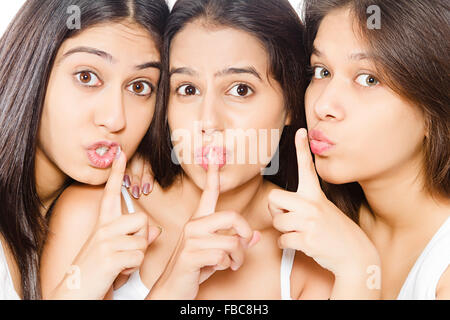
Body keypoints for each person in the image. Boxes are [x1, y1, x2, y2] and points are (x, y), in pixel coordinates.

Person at [44, 0, 382, 300]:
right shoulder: (100, 216)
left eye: (240, 89)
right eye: (188, 89)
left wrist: (359, 270)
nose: (208, 121)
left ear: (290, 103)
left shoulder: (308, 254)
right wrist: (173, 285)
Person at [273, 0, 449, 299]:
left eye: (368, 79)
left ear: (434, 111)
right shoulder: (311, 224)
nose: (322, 105)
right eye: (321, 71)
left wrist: (358, 270)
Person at [0, 0, 169, 300]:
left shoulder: (99, 205)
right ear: (33, 67)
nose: (115, 119)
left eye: (139, 87)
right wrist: (88, 276)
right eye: (87, 77)